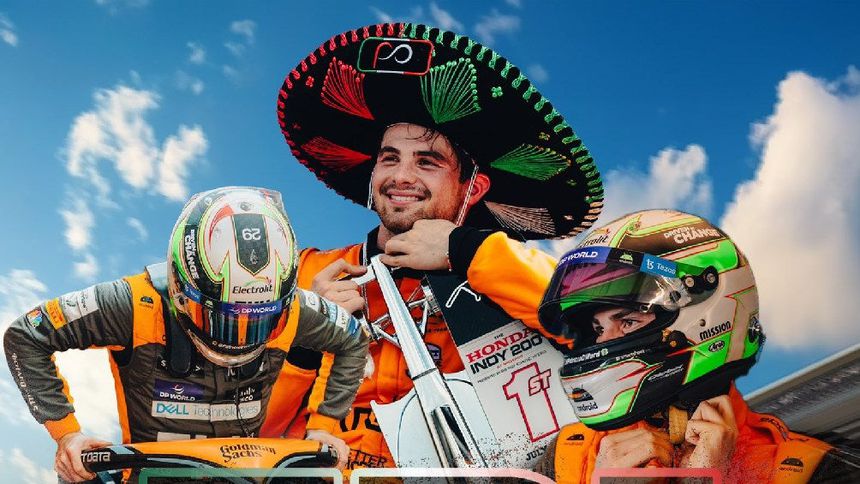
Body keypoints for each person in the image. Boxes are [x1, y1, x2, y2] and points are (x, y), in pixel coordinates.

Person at [261, 22, 605, 471]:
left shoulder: (500, 272)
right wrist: (306, 343)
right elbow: (242, 433)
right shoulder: (303, 274)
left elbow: (600, 328)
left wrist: (466, 250)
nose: (401, 176)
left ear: (473, 187)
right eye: (389, 158)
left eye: (427, 162)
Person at [4, 187, 369, 482]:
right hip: (150, 476)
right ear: (180, 283)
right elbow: (26, 334)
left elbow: (353, 339)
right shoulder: (134, 303)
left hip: (247, 475)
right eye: (224, 318)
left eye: (260, 319)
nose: (241, 336)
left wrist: (323, 427)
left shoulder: (298, 308)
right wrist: (67, 434)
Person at [535, 209, 860, 483]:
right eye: (597, 329)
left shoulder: (813, 470)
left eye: (629, 321)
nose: (603, 343)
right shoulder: (565, 458)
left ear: (706, 316)